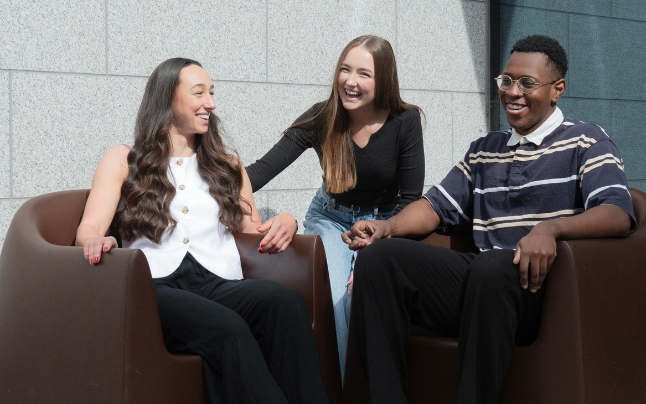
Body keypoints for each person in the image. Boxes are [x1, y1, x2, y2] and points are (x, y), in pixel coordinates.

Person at [342, 35, 635, 403]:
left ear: (557, 89)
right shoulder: (485, 150)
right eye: (506, 81)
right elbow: (435, 205)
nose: (513, 92)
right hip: (482, 285)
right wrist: (387, 227)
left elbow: (617, 213)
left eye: (527, 83)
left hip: (542, 292)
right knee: (379, 260)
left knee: (494, 265)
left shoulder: (587, 141)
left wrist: (550, 229)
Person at [76, 58, 328, 404]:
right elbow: (89, 227)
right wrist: (95, 239)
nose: (210, 102)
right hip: (153, 288)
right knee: (227, 328)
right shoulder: (123, 159)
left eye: (212, 93)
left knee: (284, 304)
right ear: (167, 99)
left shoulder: (226, 165)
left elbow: (252, 227)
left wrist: (286, 221)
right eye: (199, 93)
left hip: (216, 282)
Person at [246, 35, 424, 375]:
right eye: (345, 70)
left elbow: (411, 200)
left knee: (368, 295)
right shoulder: (323, 116)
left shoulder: (406, 121)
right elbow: (259, 172)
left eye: (363, 74)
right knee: (338, 300)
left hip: (384, 223)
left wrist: (376, 251)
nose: (350, 82)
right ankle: (343, 390)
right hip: (330, 219)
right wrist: (198, 178)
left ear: (383, 78)